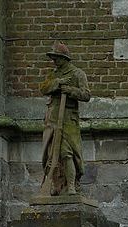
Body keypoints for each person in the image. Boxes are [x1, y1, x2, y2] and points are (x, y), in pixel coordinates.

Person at [39, 41, 90, 196]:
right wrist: (58, 83)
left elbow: (86, 95)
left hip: (68, 119)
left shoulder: (77, 74)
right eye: (53, 58)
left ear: (65, 59)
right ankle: (56, 184)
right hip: (52, 118)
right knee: (51, 153)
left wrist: (71, 90)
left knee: (67, 152)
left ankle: (71, 185)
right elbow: (43, 88)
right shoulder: (53, 75)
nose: (54, 61)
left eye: (57, 58)